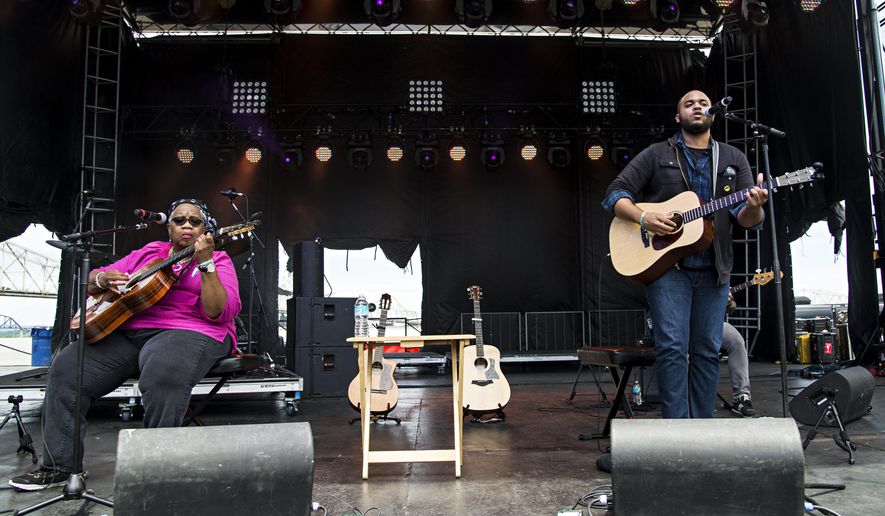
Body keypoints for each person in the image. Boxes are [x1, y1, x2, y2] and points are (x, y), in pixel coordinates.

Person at [9, 199, 241, 491]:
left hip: (191, 330)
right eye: (179, 220)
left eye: (194, 221)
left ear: (205, 229)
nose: (186, 225)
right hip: (130, 328)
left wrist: (205, 263)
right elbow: (94, 280)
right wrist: (104, 278)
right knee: (69, 367)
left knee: (163, 367)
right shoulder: (149, 253)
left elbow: (218, 311)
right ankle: (60, 467)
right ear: (168, 227)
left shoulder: (217, 259)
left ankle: (156, 471)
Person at [602, 90, 768, 419]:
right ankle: (676, 429)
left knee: (707, 351)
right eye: (688, 103)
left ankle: (702, 430)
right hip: (668, 270)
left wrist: (755, 207)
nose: (697, 106)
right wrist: (644, 217)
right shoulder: (656, 154)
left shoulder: (733, 159)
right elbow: (614, 194)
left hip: (714, 269)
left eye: (702, 103)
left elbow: (746, 220)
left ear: (713, 115)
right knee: (672, 349)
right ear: (678, 117)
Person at [722, 294, 758, 417]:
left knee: (736, 341)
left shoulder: (717, 275)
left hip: (709, 323)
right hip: (679, 324)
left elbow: (731, 308)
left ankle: (741, 397)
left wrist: (728, 301)